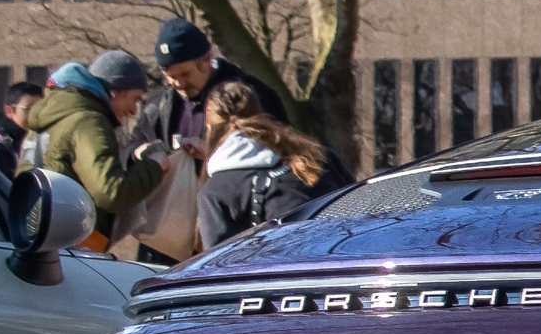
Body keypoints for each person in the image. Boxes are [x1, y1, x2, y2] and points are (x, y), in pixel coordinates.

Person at [33, 50, 182, 247]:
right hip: (72, 247)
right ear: (116, 92)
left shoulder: (51, 117)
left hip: (42, 239)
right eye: (135, 99)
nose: (134, 111)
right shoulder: (89, 121)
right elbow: (111, 193)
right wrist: (152, 167)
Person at [196, 82, 353, 249]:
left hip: (288, 271)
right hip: (347, 260)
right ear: (261, 113)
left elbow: (217, 268)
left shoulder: (215, 191)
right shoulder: (318, 156)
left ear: (209, 127)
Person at [137, 18, 285, 157]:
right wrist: (142, 156)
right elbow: (130, 147)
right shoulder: (157, 105)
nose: (178, 84)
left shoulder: (251, 97)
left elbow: (278, 150)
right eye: (171, 76)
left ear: (207, 60)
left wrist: (213, 154)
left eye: (185, 74)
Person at [0, 79, 45, 176]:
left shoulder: (40, 140)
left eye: (41, 108)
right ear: (9, 110)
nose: (36, 114)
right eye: (29, 108)